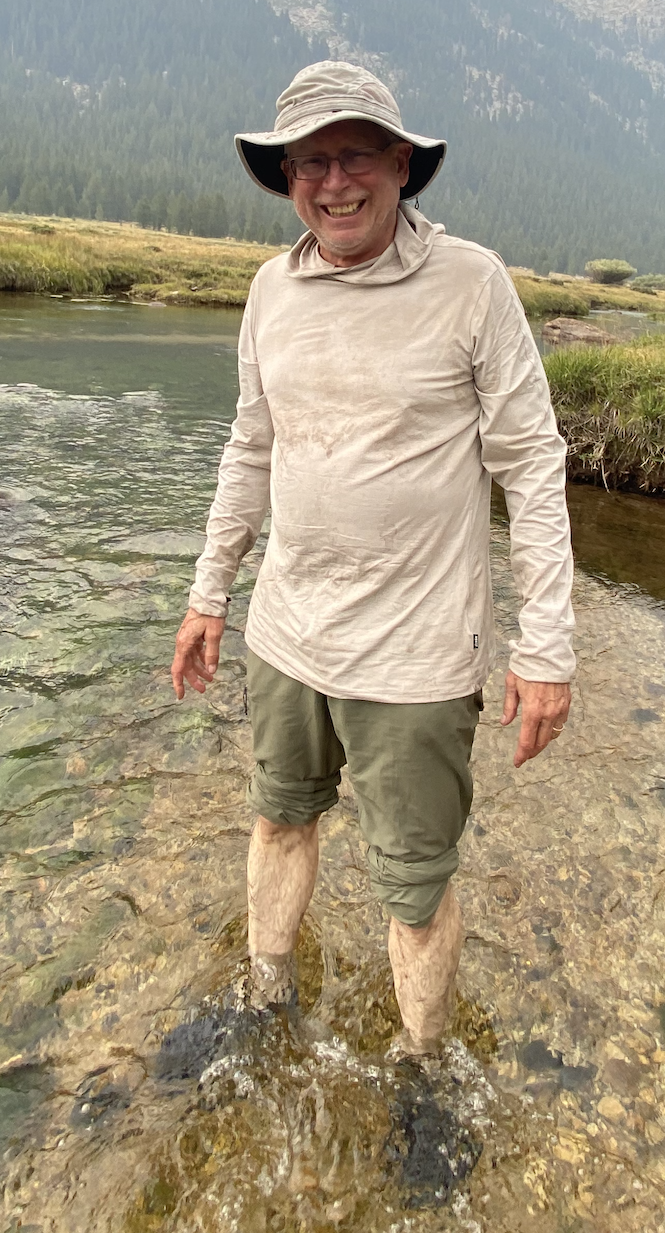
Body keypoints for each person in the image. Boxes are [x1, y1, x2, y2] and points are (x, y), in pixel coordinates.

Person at [170, 60, 575, 1059]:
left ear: (402, 164)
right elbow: (249, 444)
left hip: (417, 656)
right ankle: (265, 998)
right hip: (286, 631)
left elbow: (530, 461)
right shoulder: (271, 287)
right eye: (308, 159)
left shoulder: (471, 283)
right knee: (277, 818)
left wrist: (546, 645)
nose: (332, 180)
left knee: (414, 882)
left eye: (353, 154)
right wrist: (208, 591)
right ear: (283, 176)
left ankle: (420, 1062)